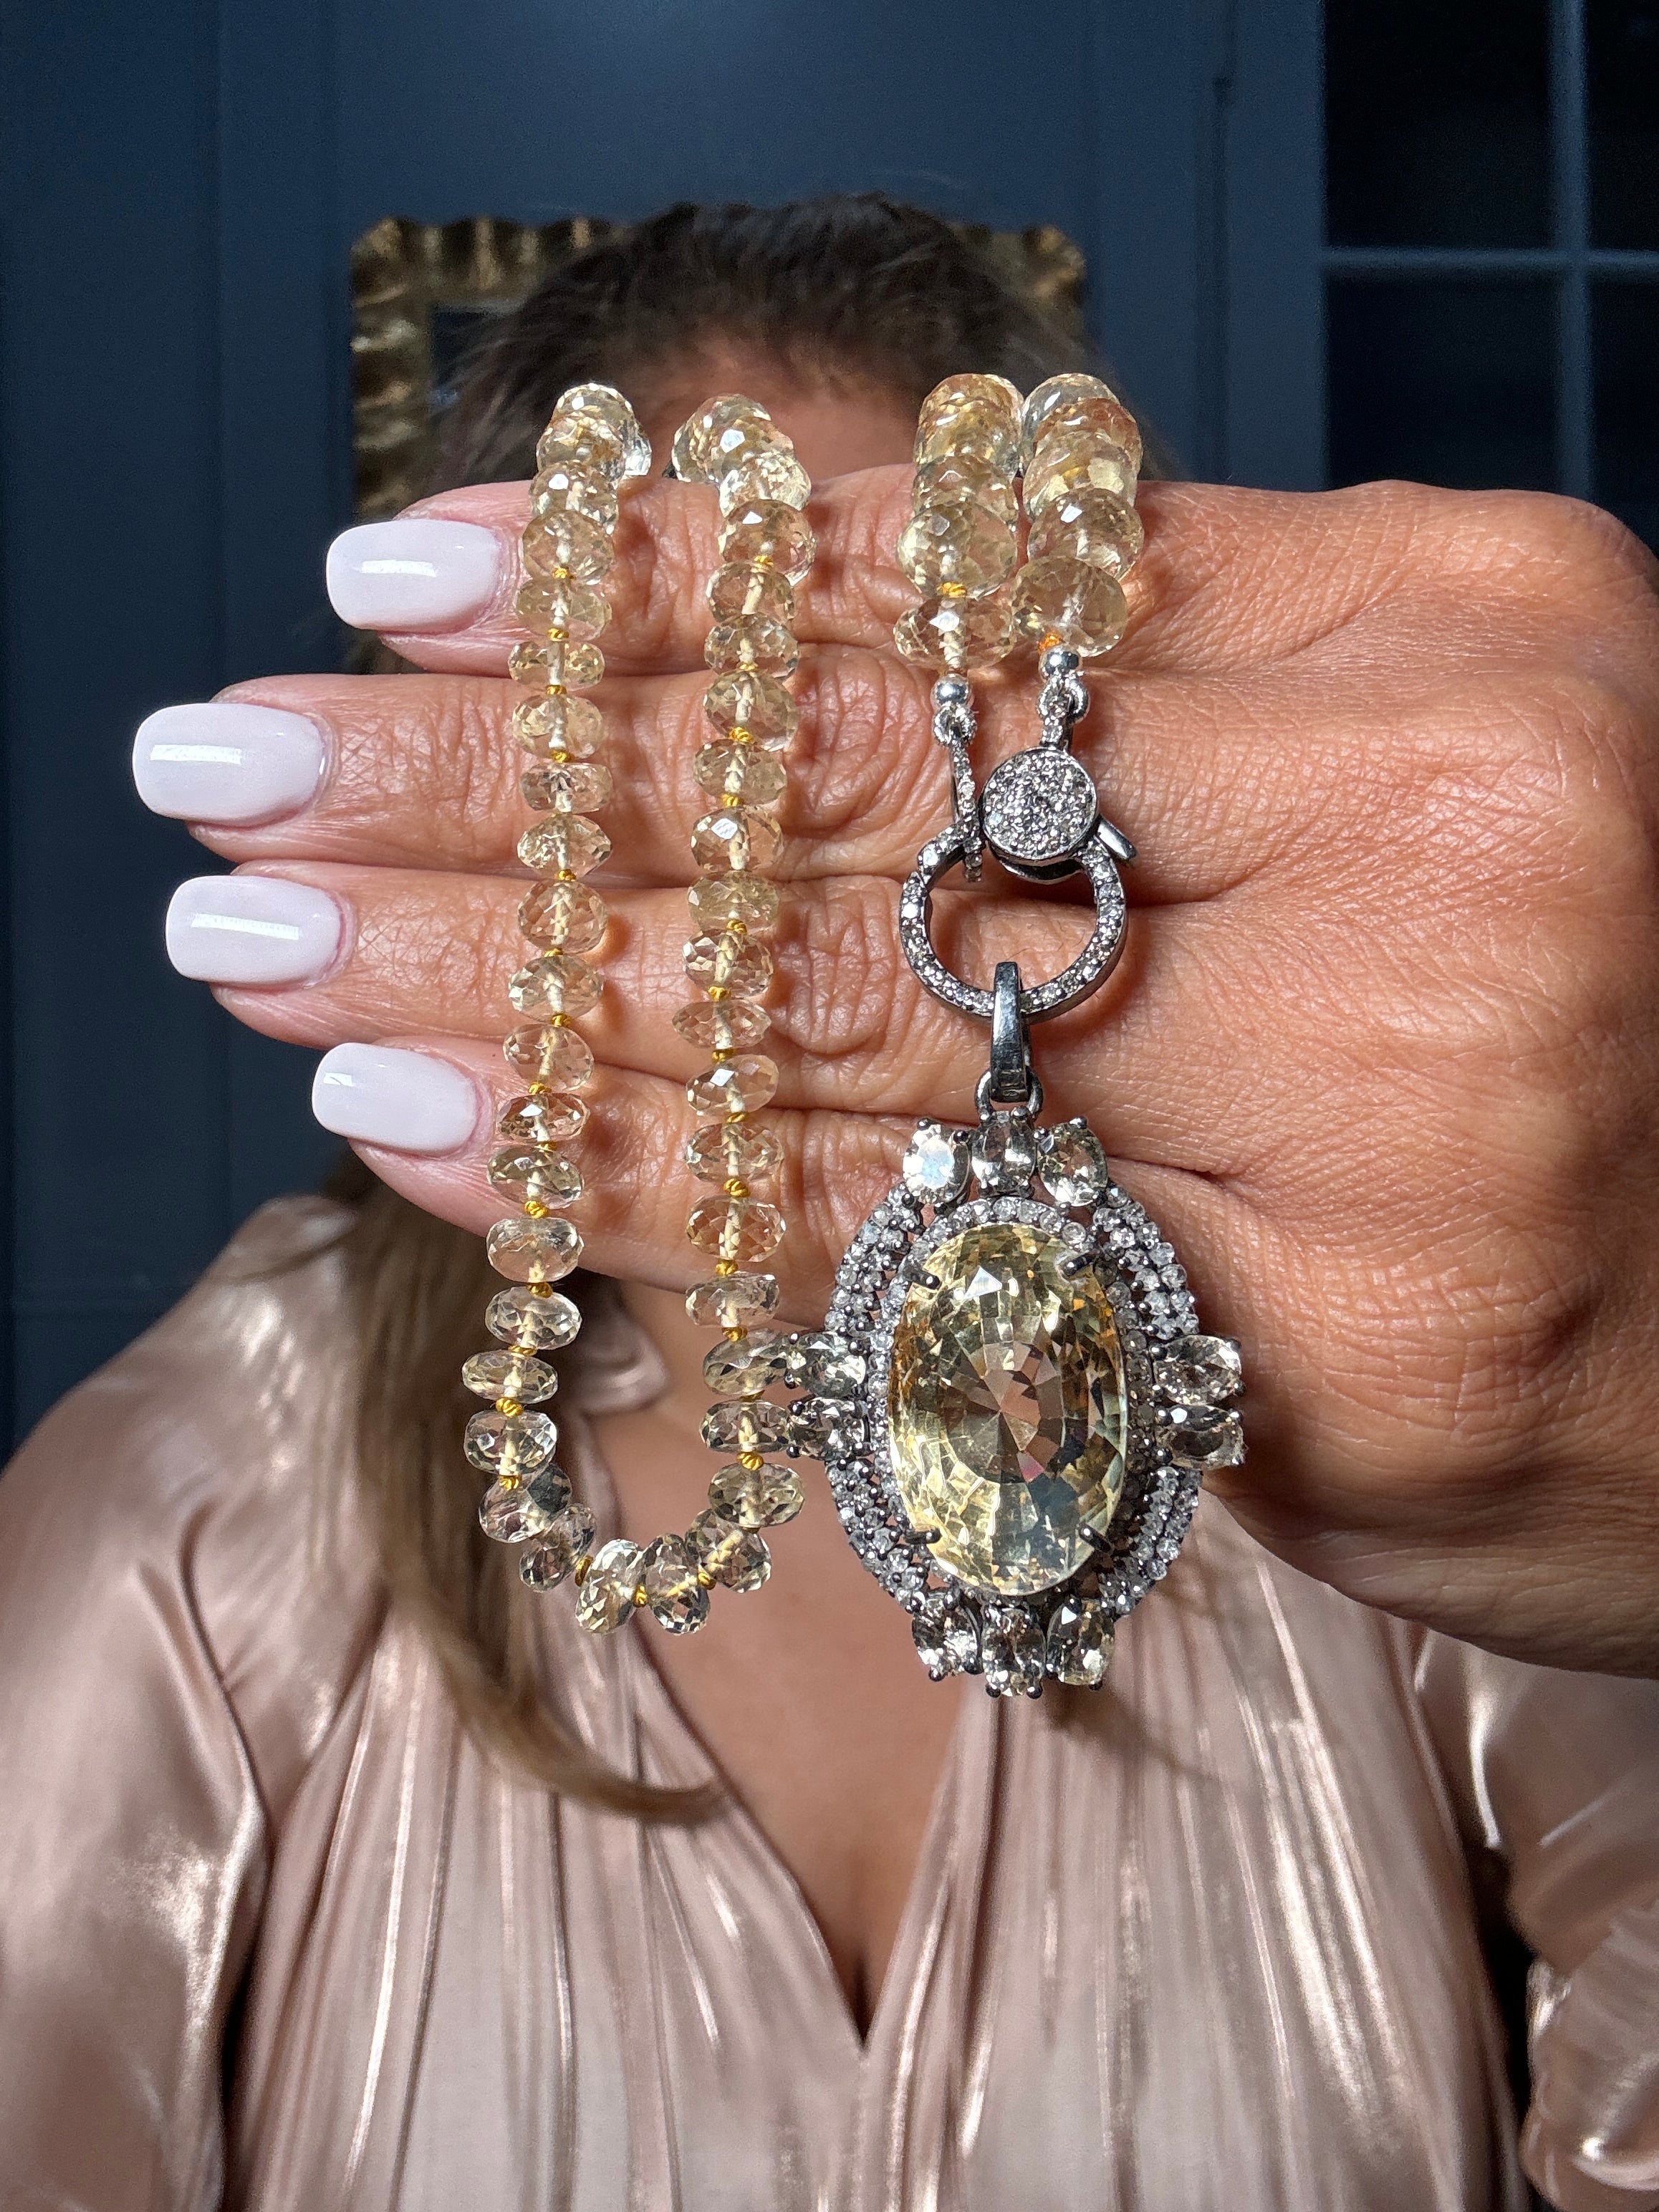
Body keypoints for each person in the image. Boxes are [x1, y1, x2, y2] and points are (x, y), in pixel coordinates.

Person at [4, 196, 1658, 2211]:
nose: (770, 830)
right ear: (479, 803)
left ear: (1076, 766)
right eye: (668, 716)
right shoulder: (186, 1512)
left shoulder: (1393, 1426)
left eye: (898, 699)